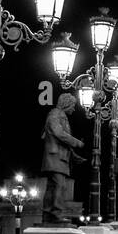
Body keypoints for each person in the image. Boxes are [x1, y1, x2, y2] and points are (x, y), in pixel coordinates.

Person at [41, 93, 84, 225]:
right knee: (60, 185)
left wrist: (74, 156)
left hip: (58, 157)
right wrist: (76, 142)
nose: (74, 109)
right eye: (72, 105)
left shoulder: (60, 115)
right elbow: (59, 133)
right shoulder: (55, 115)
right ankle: (56, 214)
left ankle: (48, 214)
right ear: (66, 104)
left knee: (52, 186)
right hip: (55, 156)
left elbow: (61, 140)